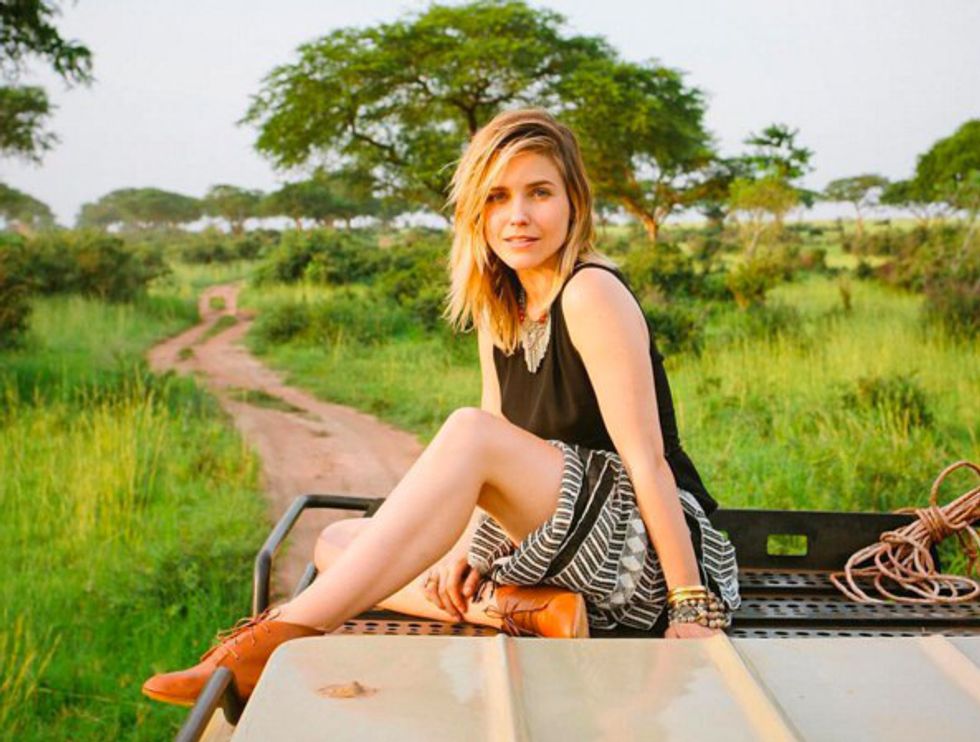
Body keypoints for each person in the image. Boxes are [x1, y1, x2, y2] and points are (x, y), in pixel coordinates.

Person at [142, 108, 740, 708]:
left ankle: (273, 639)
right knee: (337, 543)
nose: (518, 215)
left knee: (467, 432)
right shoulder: (500, 307)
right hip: (561, 542)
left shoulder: (591, 291)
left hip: (643, 554)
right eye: (498, 197)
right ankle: (525, 609)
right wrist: (468, 554)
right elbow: (494, 464)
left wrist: (688, 604)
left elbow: (646, 461)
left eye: (539, 193)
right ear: (477, 213)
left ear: (573, 204)